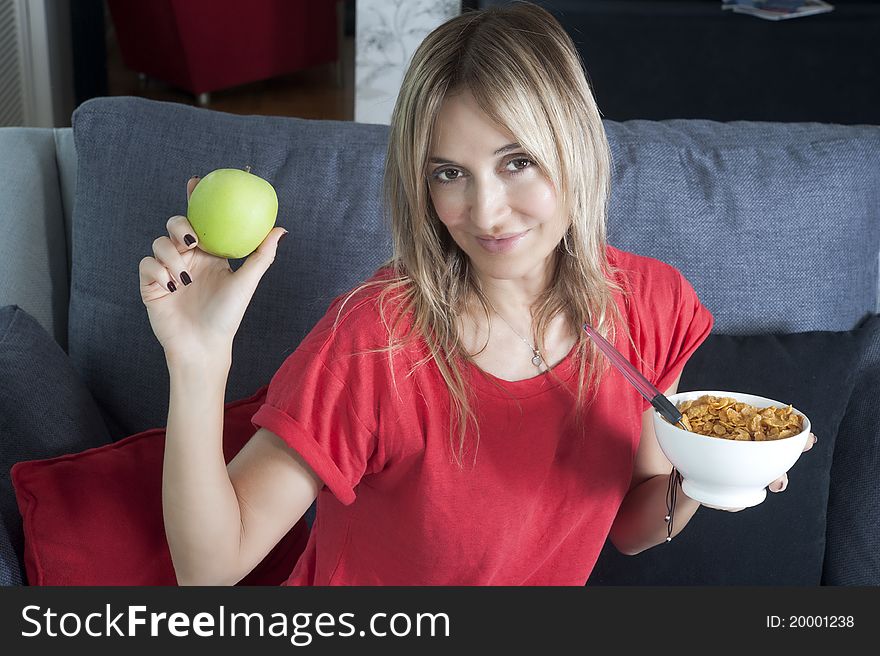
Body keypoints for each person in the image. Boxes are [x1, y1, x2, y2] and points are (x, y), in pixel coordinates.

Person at [138, 1, 816, 586]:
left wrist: (707, 474)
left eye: (516, 162)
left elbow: (634, 528)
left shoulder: (651, 304)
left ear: (573, 146)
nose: (488, 213)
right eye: (449, 173)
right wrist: (197, 359)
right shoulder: (375, 339)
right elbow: (210, 566)